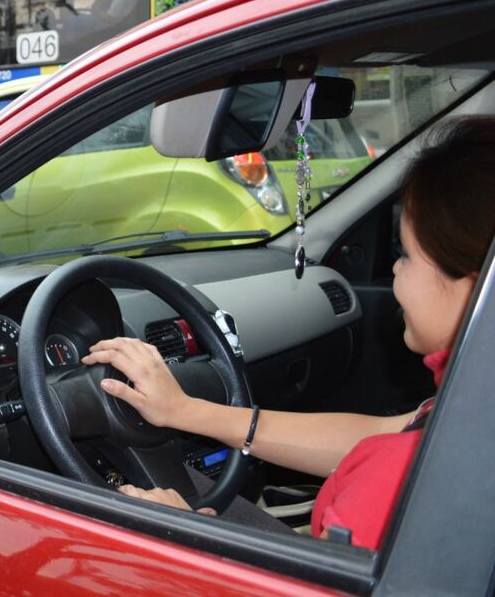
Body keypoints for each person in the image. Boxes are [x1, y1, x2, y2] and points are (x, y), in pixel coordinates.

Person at [82, 116, 495, 550]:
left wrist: (187, 540)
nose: (394, 267)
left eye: (406, 254)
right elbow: (386, 435)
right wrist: (186, 411)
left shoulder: (395, 487)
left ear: (475, 285)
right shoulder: (463, 417)